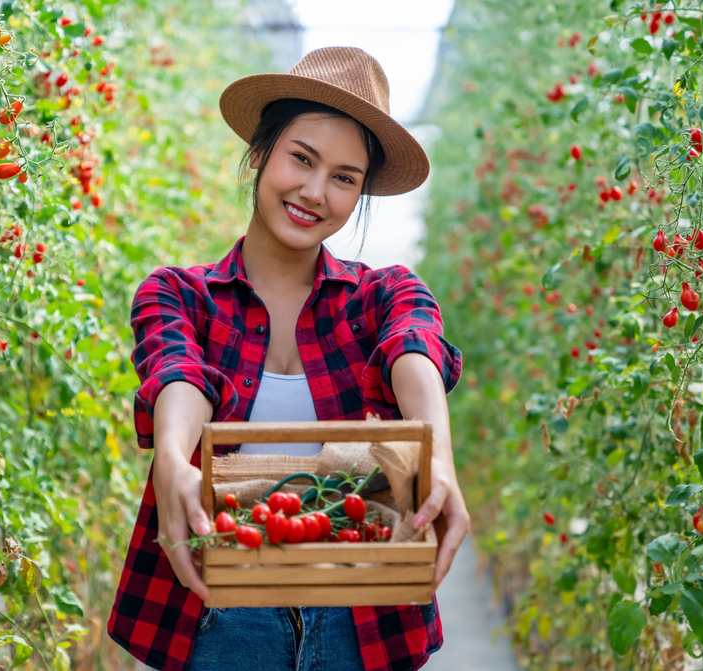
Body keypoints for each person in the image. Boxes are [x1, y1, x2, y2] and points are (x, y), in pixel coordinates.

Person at [107, 46, 468, 671]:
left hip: (360, 617)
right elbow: (180, 374)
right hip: (220, 618)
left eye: (344, 177)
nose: (314, 191)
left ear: (359, 194)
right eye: (301, 158)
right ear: (260, 154)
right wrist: (171, 458)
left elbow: (414, 346)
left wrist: (439, 459)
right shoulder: (179, 293)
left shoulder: (383, 294)